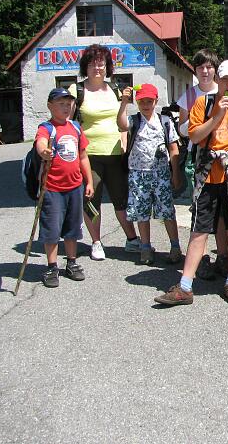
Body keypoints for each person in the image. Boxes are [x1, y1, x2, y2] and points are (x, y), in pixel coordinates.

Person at [154, 60, 228, 307]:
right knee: (199, 229)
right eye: (225, 79)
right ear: (218, 80)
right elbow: (195, 136)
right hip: (207, 176)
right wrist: (217, 114)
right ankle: (185, 286)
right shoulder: (203, 103)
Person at [69, 44, 140, 260]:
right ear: (85, 67)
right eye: (92, 64)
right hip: (88, 155)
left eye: (101, 63)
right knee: (92, 200)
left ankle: (132, 239)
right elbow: (68, 124)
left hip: (115, 154)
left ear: (107, 66)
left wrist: (125, 144)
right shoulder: (76, 90)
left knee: (122, 200)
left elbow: (122, 120)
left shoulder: (115, 89)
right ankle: (96, 242)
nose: (97, 68)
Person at [117, 83, 184, 265]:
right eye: (141, 102)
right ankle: (145, 247)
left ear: (155, 101)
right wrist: (124, 103)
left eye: (149, 101)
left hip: (161, 174)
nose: (145, 105)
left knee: (167, 212)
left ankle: (175, 246)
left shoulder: (165, 121)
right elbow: (121, 125)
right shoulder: (134, 120)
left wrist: (175, 174)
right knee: (142, 213)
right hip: (138, 175)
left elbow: (173, 148)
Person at [176, 50, 228, 279]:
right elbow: (181, 129)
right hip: (199, 156)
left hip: (223, 156)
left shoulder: (224, 91)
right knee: (201, 210)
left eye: (209, 67)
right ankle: (203, 257)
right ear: (195, 71)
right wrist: (199, 122)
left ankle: (223, 256)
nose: (205, 71)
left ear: (215, 70)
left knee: (223, 211)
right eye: (200, 68)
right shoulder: (189, 96)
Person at [35, 88, 94, 288]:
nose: (66, 107)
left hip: (75, 187)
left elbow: (83, 156)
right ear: (50, 106)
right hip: (52, 188)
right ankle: (52, 267)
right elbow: (41, 142)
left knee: (72, 227)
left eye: (69, 104)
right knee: (51, 229)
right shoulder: (47, 128)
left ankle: (71, 262)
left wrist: (89, 181)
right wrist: (44, 151)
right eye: (61, 104)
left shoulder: (75, 127)